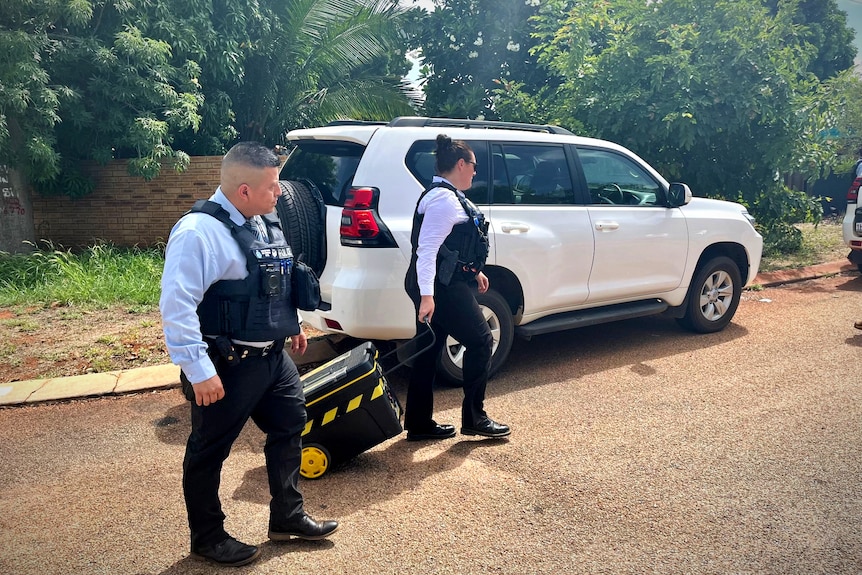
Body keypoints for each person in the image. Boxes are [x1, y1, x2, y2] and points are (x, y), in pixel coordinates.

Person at [160, 142, 338, 567]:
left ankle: (287, 517)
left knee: (290, 423)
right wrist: (198, 371)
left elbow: (273, 278)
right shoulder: (196, 234)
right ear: (243, 190)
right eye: (273, 187)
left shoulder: (263, 220)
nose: (281, 193)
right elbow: (177, 306)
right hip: (227, 364)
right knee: (209, 450)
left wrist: (290, 323)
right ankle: (207, 537)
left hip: (273, 358)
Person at [403, 134, 510, 441]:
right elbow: (426, 250)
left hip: (442, 282)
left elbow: (450, 248)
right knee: (480, 340)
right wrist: (427, 296)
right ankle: (475, 417)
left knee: (429, 348)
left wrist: (473, 273)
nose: (475, 172)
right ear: (461, 164)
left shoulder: (445, 195)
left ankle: (419, 423)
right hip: (440, 287)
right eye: (473, 166)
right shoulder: (443, 201)